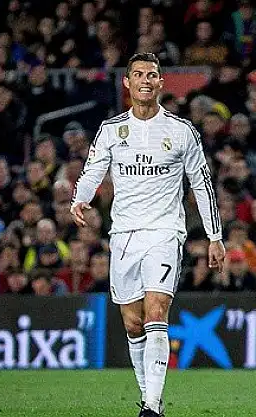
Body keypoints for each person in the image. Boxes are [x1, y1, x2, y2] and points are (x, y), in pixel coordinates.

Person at [70, 52, 225, 417]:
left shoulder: (181, 131)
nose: (145, 80)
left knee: (156, 311)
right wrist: (79, 198)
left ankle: (151, 407)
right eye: (138, 74)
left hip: (165, 232)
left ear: (160, 83)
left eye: (152, 74)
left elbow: (201, 184)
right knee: (133, 323)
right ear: (127, 82)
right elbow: (93, 169)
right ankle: (149, 396)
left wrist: (214, 236)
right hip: (124, 234)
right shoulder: (111, 130)